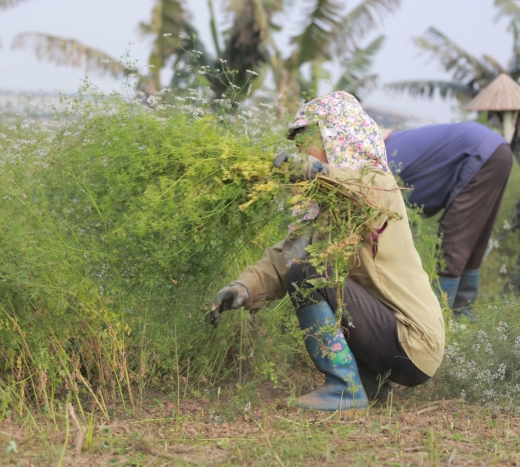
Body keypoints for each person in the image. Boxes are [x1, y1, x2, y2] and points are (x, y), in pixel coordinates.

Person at [210, 92, 445, 412]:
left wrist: (314, 169)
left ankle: (344, 387)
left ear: (338, 140)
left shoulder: (376, 182)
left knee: (309, 272)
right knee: (303, 265)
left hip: (412, 342)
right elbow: (284, 258)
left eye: (307, 140)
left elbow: (355, 187)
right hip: (391, 343)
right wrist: (243, 287)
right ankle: (370, 383)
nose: (299, 151)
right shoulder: (327, 210)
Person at [384, 123, 513, 320]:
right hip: (495, 151)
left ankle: (436, 317)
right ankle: (461, 313)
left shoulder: (378, 158)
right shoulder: (387, 143)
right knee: (475, 238)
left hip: (482, 153)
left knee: (455, 237)